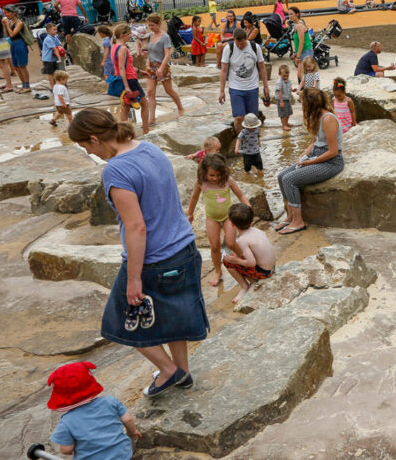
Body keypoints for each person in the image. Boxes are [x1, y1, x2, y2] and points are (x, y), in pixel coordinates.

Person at [68, 108, 208, 397]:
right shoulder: (150, 149)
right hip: (184, 249)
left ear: (95, 139)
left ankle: (168, 370)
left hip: (153, 261)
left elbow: (136, 227)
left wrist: (134, 278)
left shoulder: (116, 170)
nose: (90, 154)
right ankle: (182, 373)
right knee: (173, 319)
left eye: (86, 147)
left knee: (120, 321)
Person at [275, 88, 345, 235]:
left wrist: (310, 163)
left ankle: (298, 221)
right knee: (281, 176)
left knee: (289, 180)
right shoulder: (316, 116)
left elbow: (333, 151)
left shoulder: (328, 119)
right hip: (316, 156)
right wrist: (304, 153)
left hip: (331, 162)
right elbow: (315, 141)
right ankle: (290, 216)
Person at [46, 361, 141, 458]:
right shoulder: (109, 401)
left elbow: (66, 449)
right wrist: (131, 432)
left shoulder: (67, 421)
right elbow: (128, 419)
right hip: (123, 454)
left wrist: (69, 451)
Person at [186, 153, 250, 286]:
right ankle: (217, 271)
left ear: (224, 172)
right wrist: (190, 214)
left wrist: (248, 208)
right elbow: (194, 198)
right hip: (212, 218)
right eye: (212, 175)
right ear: (204, 173)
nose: (215, 178)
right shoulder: (201, 183)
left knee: (231, 243)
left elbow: (241, 195)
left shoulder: (228, 181)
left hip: (228, 217)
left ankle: (246, 261)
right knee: (215, 246)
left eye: (219, 175)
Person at [221, 204, 277, 304]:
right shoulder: (258, 231)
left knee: (227, 261)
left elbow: (251, 263)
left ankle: (245, 286)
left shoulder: (243, 240)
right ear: (251, 221)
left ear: (232, 224)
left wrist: (235, 260)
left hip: (264, 273)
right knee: (237, 254)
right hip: (272, 268)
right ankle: (252, 279)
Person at [219, 27, 270, 135]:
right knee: (239, 117)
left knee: (252, 117)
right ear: (234, 40)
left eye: (242, 44)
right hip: (235, 88)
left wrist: (266, 87)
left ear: (246, 39)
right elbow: (224, 71)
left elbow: (262, 67)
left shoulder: (255, 47)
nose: (240, 46)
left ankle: (254, 139)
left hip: (252, 87)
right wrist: (221, 91)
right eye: (238, 44)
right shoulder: (229, 49)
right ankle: (241, 140)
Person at [143, 14, 185, 126]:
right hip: (151, 65)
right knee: (150, 92)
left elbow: (167, 54)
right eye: (149, 25)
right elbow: (148, 52)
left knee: (169, 90)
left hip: (162, 65)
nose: (150, 27)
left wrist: (161, 68)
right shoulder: (150, 35)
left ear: (158, 24)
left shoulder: (165, 37)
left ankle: (180, 108)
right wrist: (147, 63)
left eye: (152, 25)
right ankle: (151, 118)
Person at [109, 24, 148, 133]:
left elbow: (124, 66)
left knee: (125, 107)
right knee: (145, 104)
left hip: (121, 78)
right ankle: (146, 129)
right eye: (129, 34)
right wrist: (127, 87)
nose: (130, 36)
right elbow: (122, 67)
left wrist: (140, 71)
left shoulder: (114, 46)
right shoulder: (123, 48)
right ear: (122, 35)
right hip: (129, 80)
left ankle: (125, 132)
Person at [2, 6, 31, 92]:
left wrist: (7, 24)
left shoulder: (19, 23)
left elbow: (12, 34)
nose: (6, 14)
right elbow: (7, 35)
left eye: (8, 12)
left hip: (20, 44)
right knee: (16, 67)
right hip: (13, 44)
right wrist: (5, 26)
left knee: (22, 66)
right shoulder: (10, 22)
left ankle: (27, 86)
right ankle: (23, 85)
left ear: (14, 13)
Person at [286, 6, 313, 83]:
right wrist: (296, 53)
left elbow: (302, 42)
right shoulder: (296, 25)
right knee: (301, 76)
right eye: (289, 14)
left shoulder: (299, 25)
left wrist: (298, 56)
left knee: (303, 77)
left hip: (305, 52)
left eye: (291, 14)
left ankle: (306, 93)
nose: (289, 16)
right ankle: (304, 92)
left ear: (297, 14)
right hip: (303, 52)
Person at [40, 21, 63, 89]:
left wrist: (63, 54)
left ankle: (56, 86)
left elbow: (59, 46)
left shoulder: (55, 37)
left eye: (56, 29)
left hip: (53, 58)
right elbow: (55, 49)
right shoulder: (48, 39)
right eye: (54, 29)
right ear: (48, 31)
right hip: (48, 59)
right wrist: (59, 58)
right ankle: (52, 88)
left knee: (55, 73)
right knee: (50, 73)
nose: (56, 31)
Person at [275, 64, 293, 131]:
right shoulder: (279, 82)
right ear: (279, 74)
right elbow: (279, 91)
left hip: (287, 98)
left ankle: (286, 122)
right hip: (281, 99)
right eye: (284, 76)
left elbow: (289, 87)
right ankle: (284, 125)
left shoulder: (288, 80)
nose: (286, 77)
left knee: (288, 112)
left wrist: (292, 89)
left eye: (287, 76)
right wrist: (281, 101)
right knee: (283, 113)